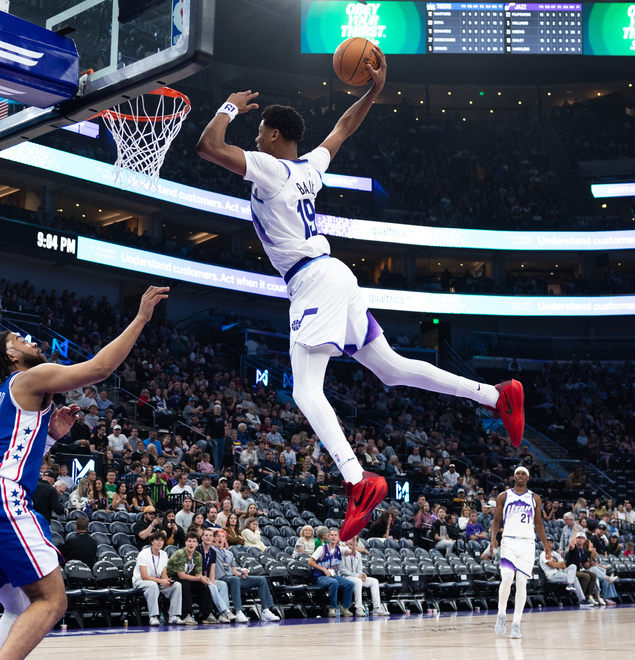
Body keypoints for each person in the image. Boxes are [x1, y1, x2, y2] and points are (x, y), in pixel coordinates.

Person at [195, 50, 524, 542]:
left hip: (313, 280)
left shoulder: (270, 167)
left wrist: (227, 106)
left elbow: (207, 147)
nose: (256, 137)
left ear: (274, 138)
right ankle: (495, 395)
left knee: (306, 391)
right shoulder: (308, 167)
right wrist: (374, 90)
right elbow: (343, 129)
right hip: (335, 274)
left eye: (261, 131)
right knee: (389, 370)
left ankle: (357, 479)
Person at [0, 286, 167, 660]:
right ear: (12, 356)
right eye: (19, 339)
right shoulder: (32, 376)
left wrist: (48, 437)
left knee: (17, 605)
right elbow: (100, 369)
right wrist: (141, 318)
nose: (29, 341)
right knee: (52, 600)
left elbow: (6, 448)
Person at [489, 466, 552, 640]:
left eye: (523, 474)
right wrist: (493, 537)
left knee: (522, 583)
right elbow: (496, 520)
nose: (520, 476)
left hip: (527, 544)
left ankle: (516, 624)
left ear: (528, 478)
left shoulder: (534, 498)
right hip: (508, 541)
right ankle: (501, 613)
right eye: (518, 474)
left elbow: (538, 524)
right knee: (507, 579)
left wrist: (546, 545)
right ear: (513, 477)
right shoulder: (504, 496)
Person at [212, 528, 279, 622]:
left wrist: (242, 574)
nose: (220, 538)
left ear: (225, 540)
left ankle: (266, 611)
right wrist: (218, 529)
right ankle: (238, 611)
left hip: (232, 578)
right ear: (214, 539)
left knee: (261, 579)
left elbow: (234, 571)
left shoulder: (229, 553)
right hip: (221, 578)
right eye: (218, 536)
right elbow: (207, 532)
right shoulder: (212, 550)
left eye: (222, 537)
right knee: (234, 580)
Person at [132, 530, 183, 626]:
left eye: (161, 540)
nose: (159, 542)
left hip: (156, 581)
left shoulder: (164, 554)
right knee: (153, 585)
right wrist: (161, 581)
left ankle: (173, 616)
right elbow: (144, 576)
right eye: (157, 540)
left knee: (177, 585)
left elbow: (164, 574)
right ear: (152, 541)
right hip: (141, 581)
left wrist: (167, 581)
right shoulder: (143, 554)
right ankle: (153, 617)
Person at [167, 532, 213, 625]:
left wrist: (203, 579)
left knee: (205, 585)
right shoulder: (179, 554)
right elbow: (181, 576)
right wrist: (199, 578)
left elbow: (198, 574)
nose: (191, 544)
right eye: (189, 541)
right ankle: (186, 615)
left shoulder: (197, 555)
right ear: (185, 543)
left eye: (194, 541)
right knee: (185, 584)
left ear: (197, 544)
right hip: (173, 578)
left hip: (188, 577)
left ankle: (205, 614)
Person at [309, 528, 354, 617]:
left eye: (335, 535)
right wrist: (324, 570)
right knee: (334, 582)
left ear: (338, 538)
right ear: (328, 537)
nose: (333, 537)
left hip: (333, 575)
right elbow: (310, 562)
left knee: (350, 584)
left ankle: (344, 608)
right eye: (332, 535)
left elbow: (352, 552)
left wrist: (355, 540)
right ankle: (332, 608)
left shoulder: (340, 549)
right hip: (321, 576)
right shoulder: (321, 549)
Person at [340, 535, 382, 616]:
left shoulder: (358, 554)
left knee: (374, 581)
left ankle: (377, 608)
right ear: (346, 542)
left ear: (357, 542)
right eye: (349, 539)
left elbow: (359, 570)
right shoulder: (343, 552)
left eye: (354, 540)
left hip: (355, 577)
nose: (351, 541)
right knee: (358, 581)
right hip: (344, 577)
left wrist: (362, 574)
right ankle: (358, 608)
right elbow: (342, 570)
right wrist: (357, 576)